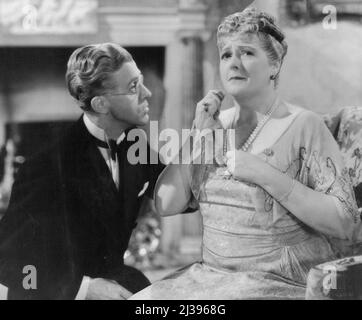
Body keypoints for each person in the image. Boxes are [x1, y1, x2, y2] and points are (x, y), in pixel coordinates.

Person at [130, 8, 362, 300]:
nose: (234, 63)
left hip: (277, 282)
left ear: (274, 65)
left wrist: (264, 174)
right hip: (210, 278)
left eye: (247, 53)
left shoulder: (303, 125)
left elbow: (345, 222)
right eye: (226, 54)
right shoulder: (213, 125)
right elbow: (166, 203)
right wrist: (196, 134)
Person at [0, 43, 164, 299]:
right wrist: (84, 289)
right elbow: (7, 260)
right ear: (100, 104)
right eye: (134, 87)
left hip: (117, 282)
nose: (148, 93)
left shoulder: (134, 141)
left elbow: (176, 194)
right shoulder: (46, 167)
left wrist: (203, 132)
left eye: (141, 81)